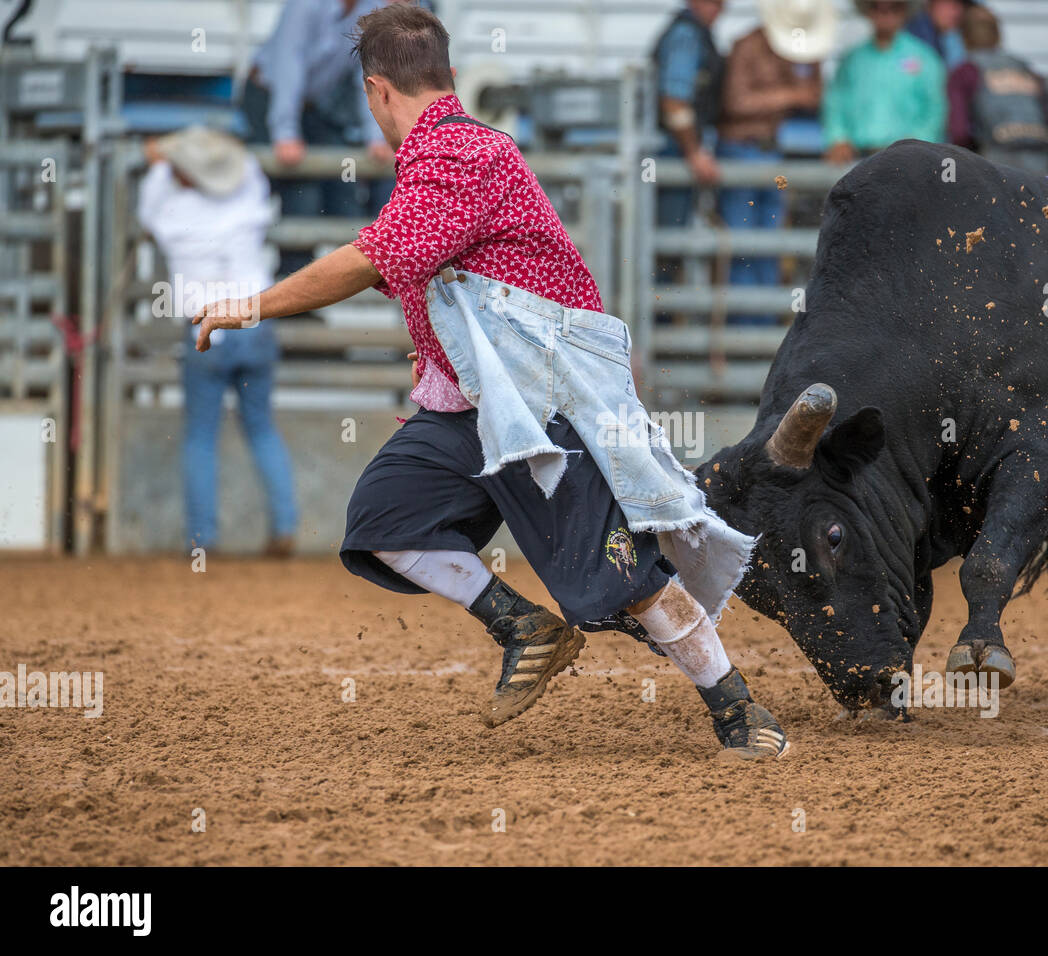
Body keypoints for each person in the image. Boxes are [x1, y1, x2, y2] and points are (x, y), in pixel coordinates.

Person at [193, 5, 790, 761]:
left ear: (377, 92)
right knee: (383, 520)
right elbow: (432, 278)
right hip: (475, 407)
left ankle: (736, 706)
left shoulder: (458, 155)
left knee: (626, 584)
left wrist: (253, 303)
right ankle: (522, 625)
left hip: (542, 408)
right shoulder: (450, 159)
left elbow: (373, 258)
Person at [137, 126, 298, 556]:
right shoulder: (247, 192)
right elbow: (243, 165)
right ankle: (285, 526)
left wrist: (163, 158)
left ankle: (204, 539)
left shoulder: (168, 207)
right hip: (255, 321)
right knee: (262, 426)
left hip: (204, 328)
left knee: (200, 436)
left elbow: (154, 185)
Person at [242, 0, 399, 271]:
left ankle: (309, 290)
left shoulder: (371, 9)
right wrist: (285, 131)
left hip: (312, 104)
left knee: (338, 187)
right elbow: (289, 63)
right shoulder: (306, 5)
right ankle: (286, 289)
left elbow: (368, 72)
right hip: (269, 98)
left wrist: (378, 135)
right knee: (297, 187)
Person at [717, 0, 830, 325]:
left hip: (768, 151)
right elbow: (735, 102)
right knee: (743, 247)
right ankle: (744, 331)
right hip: (742, 148)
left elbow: (814, 94)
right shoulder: (747, 46)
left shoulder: (798, 51)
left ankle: (758, 331)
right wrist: (792, 95)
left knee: (767, 245)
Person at [822, 0, 948, 163]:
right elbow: (835, 104)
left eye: (894, 7)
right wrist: (838, 140)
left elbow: (934, 110)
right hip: (857, 158)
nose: (885, 13)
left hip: (908, 162)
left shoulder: (925, 59)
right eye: (877, 6)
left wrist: (915, 147)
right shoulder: (852, 60)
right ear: (868, 10)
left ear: (905, 11)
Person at [947, 3, 1048, 175]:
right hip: (1042, 162)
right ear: (998, 34)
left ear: (963, 36)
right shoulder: (1027, 71)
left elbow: (959, 132)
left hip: (995, 165)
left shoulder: (966, 72)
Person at [651, 0, 727, 229]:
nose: (716, 8)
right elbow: (675, 102)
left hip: (675, 146)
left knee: (673, 228)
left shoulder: (693, 32)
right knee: (670, 230)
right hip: (674, 148)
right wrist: (694, 152)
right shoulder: (687, 35)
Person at [905, 0, 970, 68]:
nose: (958, 12)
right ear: (931, 3)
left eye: (964, 6)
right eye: (953, 5)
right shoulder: (918, 38)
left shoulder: (942, 37)